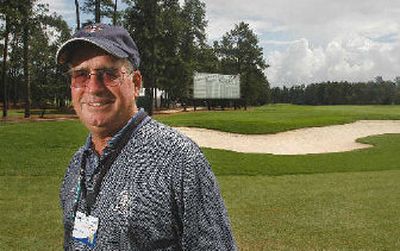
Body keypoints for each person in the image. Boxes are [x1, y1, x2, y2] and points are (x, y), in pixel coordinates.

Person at [56, 23, 236, 250]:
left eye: (109, 74)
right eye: (81, 74)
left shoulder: (179, 159)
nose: (93, 87)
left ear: (136, 84)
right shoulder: (76, 165)